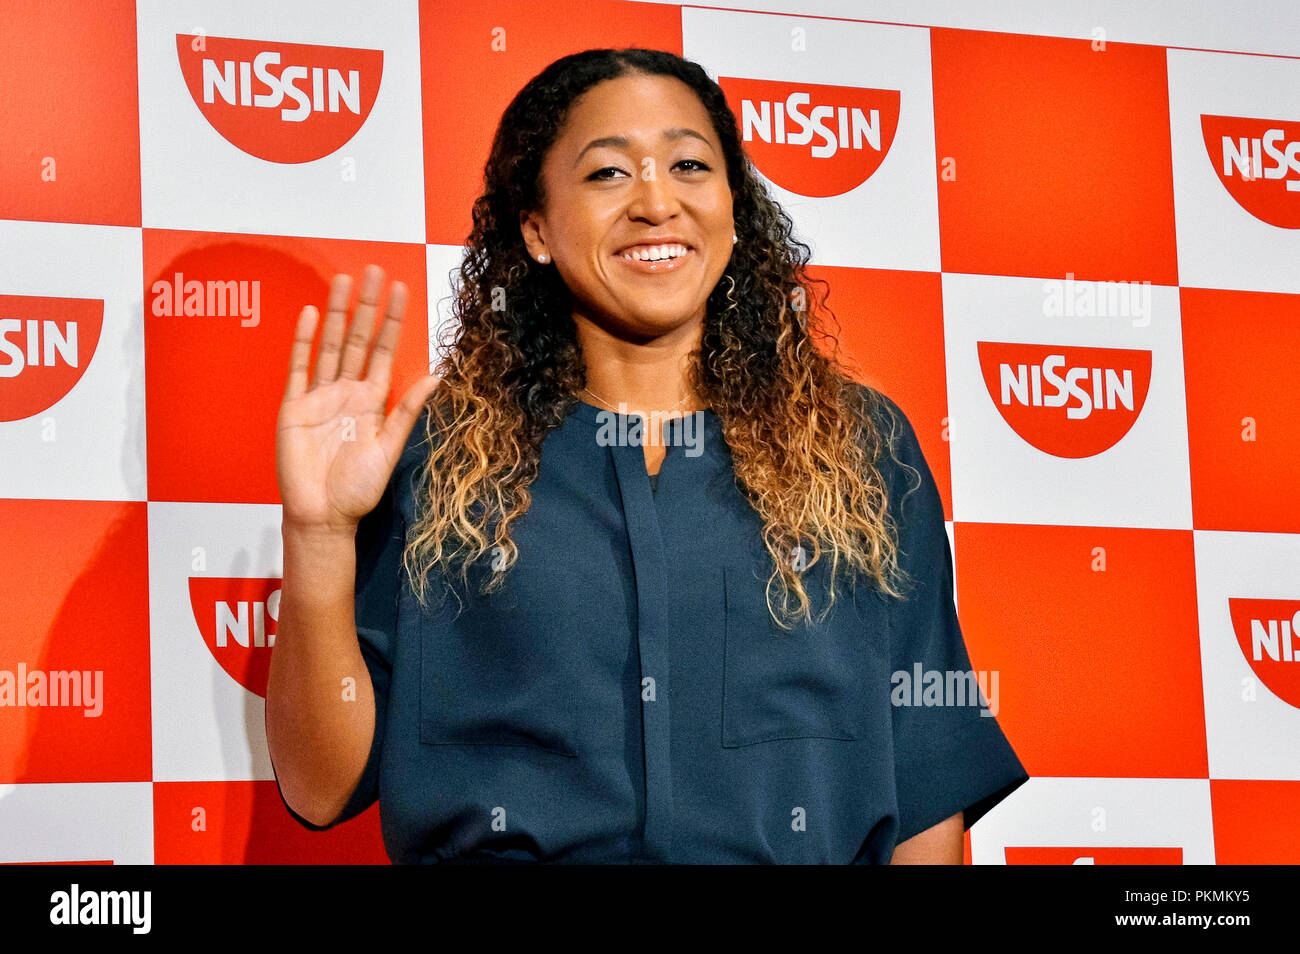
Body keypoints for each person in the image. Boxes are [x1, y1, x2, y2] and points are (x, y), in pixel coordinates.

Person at [266, 47, 1028, 864]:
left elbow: (924, 792)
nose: (657, 201)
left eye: (689, 164)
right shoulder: (441, 460)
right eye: (607, 175)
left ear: (733, 211)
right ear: (537, 230)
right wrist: (316, 536)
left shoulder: (863, 449)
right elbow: (320, 786)